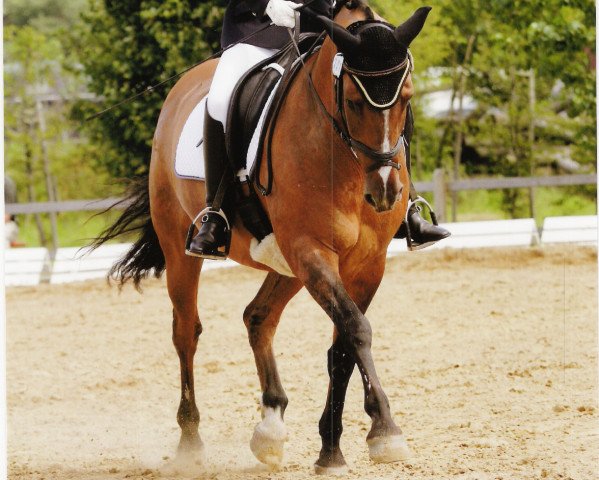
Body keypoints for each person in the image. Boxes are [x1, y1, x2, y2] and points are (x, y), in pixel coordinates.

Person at [185, 0, 449, 259]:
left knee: (388, 84)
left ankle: (407, 206)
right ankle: (216, 212)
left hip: (321, 29)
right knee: (220, 98)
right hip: (258, 32)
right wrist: (264, 4)